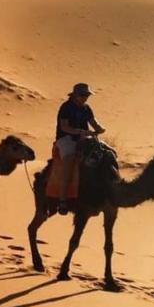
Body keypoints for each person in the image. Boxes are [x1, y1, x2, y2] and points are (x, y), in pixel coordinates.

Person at [51, 82, 105, 213]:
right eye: (83, 95)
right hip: (66, 139)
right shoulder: (66, 107)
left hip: (83, 138)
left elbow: (94, 122)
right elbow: (65, 127)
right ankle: (62, 200)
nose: (85, 97)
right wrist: (81, 132)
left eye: (87, 95)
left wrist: (100, 129)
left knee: (107, 154)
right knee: (69, 161)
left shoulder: (86, 108)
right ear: (75, 95)